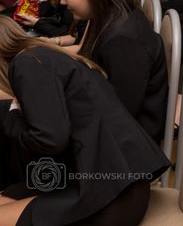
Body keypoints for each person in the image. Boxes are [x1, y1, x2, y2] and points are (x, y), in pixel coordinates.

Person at [0, 17, 170, 226]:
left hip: (109, 199)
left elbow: (50, 140)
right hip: (116, 183)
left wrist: (13, 111)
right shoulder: (40, 56)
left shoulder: (27, 63)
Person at [54, 0, 168, 142]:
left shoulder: (123, 39)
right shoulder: (108, 17)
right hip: (107, 128)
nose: (63, 1)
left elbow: (120, 113)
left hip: (125, 147)